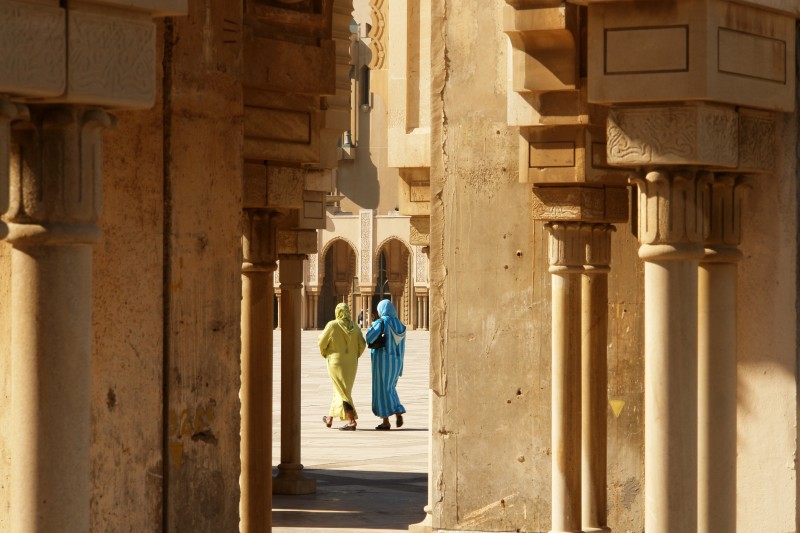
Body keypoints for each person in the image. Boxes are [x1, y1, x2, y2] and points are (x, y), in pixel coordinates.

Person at [318, 302, 366, 431]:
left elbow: (321, 342)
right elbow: (362, 344)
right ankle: (330, 418)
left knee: (342, 391)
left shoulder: (332, 325)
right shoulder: (355, 327)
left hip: (335, 362)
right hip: (351, 364)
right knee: (340, 389)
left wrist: (326, 353)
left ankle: (351, 421)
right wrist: (354, 355)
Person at [365, 299, 407, 430]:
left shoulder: (382, 322)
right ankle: (396, 411)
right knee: (390, 388)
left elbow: (369, 337)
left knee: (382, 390)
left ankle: (387, 420)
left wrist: (372, 325)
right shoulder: (400, 324)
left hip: (383, 362)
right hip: (396, 363)